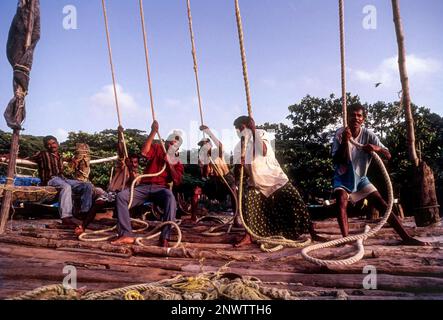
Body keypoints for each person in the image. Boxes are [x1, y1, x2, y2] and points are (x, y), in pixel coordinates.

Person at [332, 103, 429, 246]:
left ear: (363, 119)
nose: (356, 118)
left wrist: (376, 148)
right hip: (343, 176)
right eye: (353, 115)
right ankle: (345, 240)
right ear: (347, 117)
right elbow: (337, 159)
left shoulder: (369, 135)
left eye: (359, 115)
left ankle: (406, 237)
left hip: (360, 177)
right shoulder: (340, 133)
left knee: (382, 203)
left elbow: (388, 154)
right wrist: (345, 141)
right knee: (341, 200)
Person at [232, 116, 323, 247]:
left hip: (275, 178)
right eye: (236, 130)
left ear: (247, 126)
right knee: (248, 206)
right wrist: (238, 169)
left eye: (240, 128)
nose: (238, 132)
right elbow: (237, 171)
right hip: (256, 182)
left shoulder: (260, 134)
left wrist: (253, 130)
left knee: (295, 200)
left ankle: (312, 232)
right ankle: (249, 235)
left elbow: (263, 151)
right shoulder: (238, 148)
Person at [111, 121, 184, 247]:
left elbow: (177, 181)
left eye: (175, 143)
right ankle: (126, 234)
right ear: (166, 141)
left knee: (170, 199)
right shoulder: (157, 148)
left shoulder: (177, 161)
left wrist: (170, 164)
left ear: (177, 147)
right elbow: (144, 152)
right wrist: (153, 131)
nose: (172, 143)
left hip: (160, 189)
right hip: (144, 186)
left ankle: (164, 237)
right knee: (121, 196)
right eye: (170, 140)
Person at [29, 135, 93, 226]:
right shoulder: (42, 154)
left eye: (53, 143)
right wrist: (9, 156)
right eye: (48, 144)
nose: (51, 146)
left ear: (57, 144)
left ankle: (84, 212)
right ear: (45, 146)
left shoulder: (59, 155)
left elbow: (66, 159)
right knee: (66, 187)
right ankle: (66, 217)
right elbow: (27, 158)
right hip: (51, 179)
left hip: (62, 178)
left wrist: (72, 159)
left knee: (87, 185)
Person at [188, 125, 237, 223]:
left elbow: (220, 146)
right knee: (196, 190)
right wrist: (206, 163)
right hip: (213, 181)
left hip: (225, 178)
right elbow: (205, 175)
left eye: (205, 144)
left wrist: (208, 132)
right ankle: (193, 217)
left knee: (233, 191)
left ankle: (236, 219)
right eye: (202, 145)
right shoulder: (202, 158)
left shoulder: (217, 152)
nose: (203, 147)